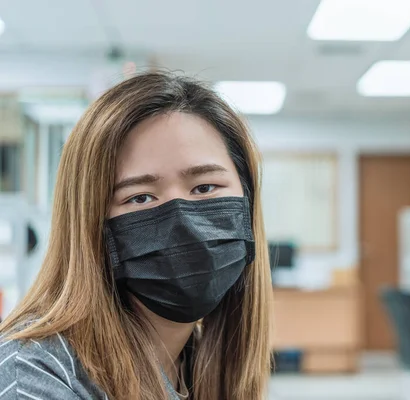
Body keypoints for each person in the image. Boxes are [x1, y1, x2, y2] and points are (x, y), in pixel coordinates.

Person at [0, 72, 272, 400]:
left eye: (204, 187)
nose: (182, 224)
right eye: (140, 197)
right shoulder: (33, 376)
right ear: (90, 222)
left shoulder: (200, 363)